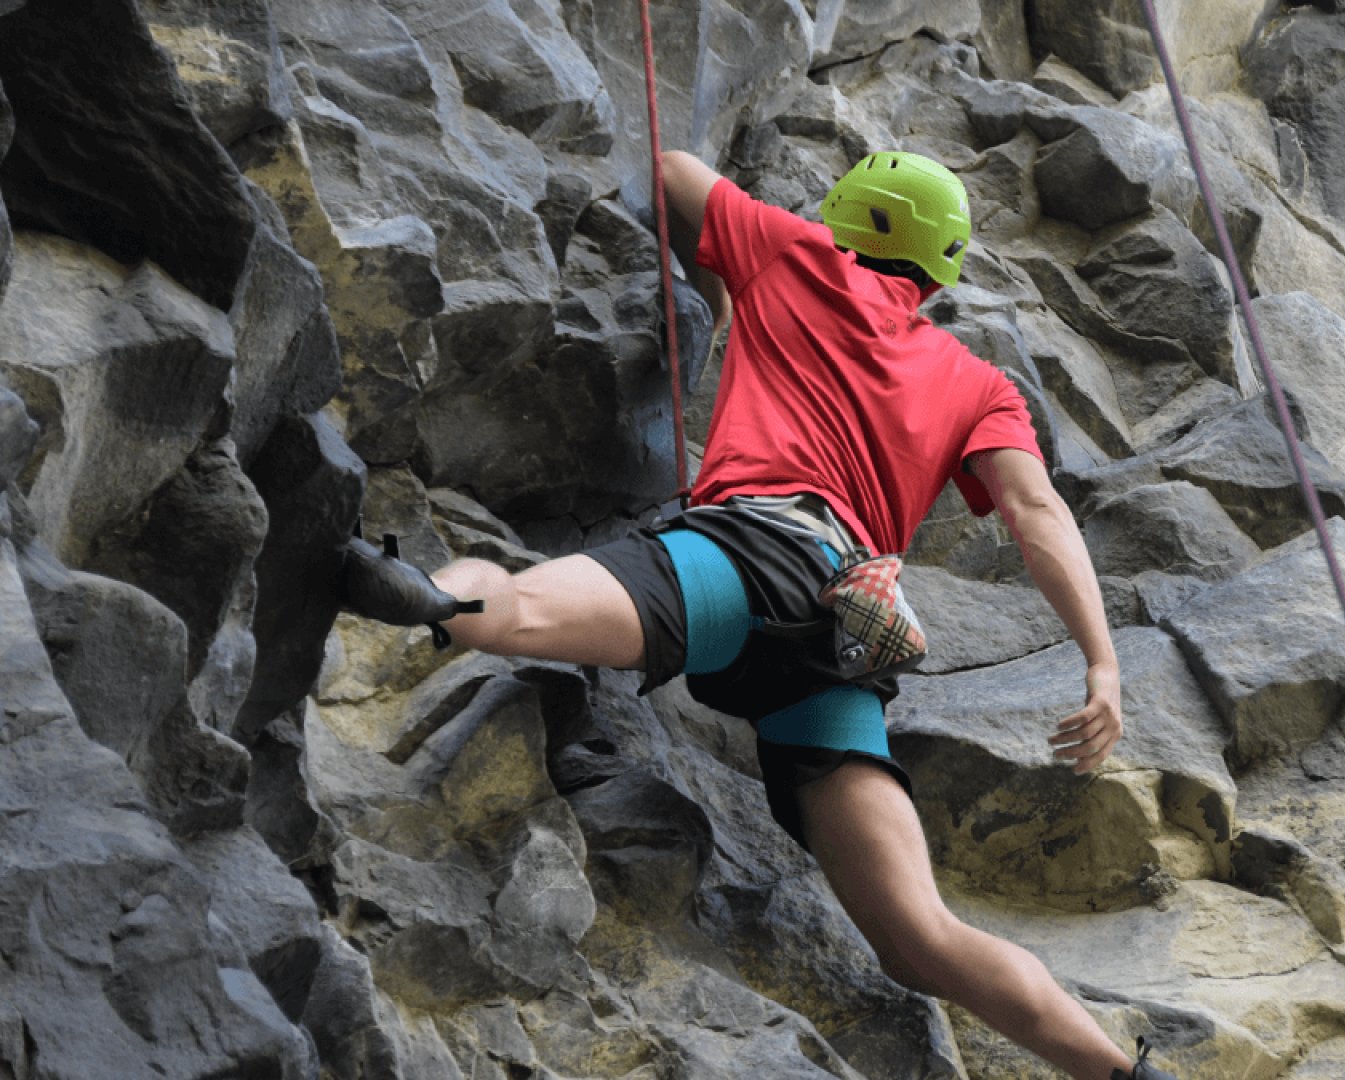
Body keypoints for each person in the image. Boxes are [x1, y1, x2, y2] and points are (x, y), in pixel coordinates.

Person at [343, 149, 1176, 1080]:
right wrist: (1101, 664)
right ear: (940, 270)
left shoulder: (798, 254)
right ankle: (1120, 1074)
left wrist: (731, 270)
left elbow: (672, 172)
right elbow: (1036, 513)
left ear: (848, 217)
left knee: (521, 609)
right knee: (919, 936)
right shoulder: (981, 383)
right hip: (844, 635)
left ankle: (432, 596)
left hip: (751, 558)